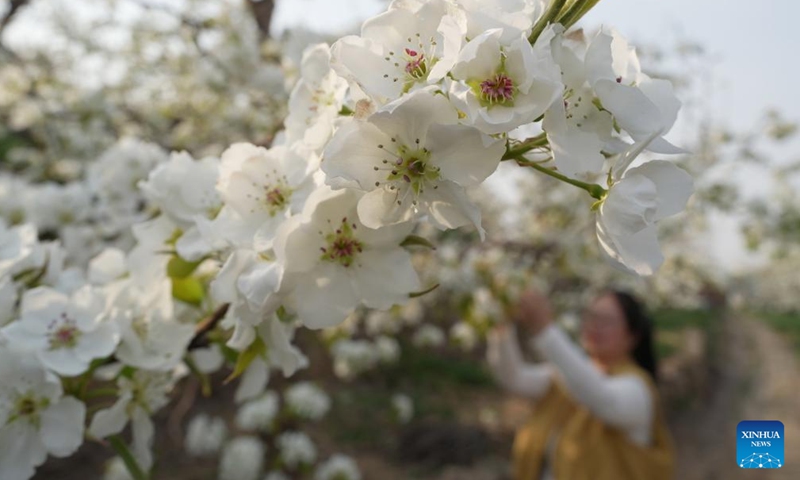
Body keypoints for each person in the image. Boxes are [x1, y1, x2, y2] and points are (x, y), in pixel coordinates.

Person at [486, 289, 675, 480]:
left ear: (632, 335)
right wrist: (501, 327)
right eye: (591, 317)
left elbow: (600, 398)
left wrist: (545, 330)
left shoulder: (637, 388)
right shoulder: (572, 377)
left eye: (606, 321)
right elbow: (514, 378)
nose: (595, 326)